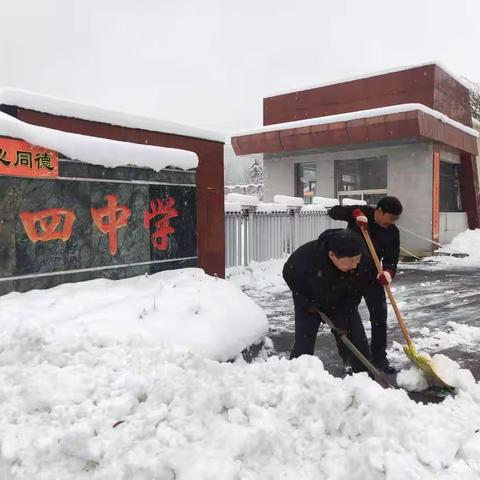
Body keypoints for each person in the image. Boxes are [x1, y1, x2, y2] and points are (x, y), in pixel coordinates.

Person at [328, 196, 402, 374]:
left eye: (395, 219)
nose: (392, 222)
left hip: (373, 278)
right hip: (348, 276)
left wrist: (388, 273)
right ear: (380, 211)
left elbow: (392, 260)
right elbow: (334, 212)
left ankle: (379, 358)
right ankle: (349, 358)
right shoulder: (363, 214)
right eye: (390, 218)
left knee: (379, 318)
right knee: (344, 317)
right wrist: (355, 213)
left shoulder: (393, 232)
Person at [282, 228, 372, 373]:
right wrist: (306, 301)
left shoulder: (363, 261)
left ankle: (364, 376)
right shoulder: (305, 257)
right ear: (332, 255)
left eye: (357, 260)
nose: (355, 265)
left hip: (342, 300)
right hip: (310, 302)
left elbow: (356, 292)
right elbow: (289, 274)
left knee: (357, 341)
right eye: (350, 261)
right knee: (303, 345)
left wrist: (343, 319)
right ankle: (297, 378)